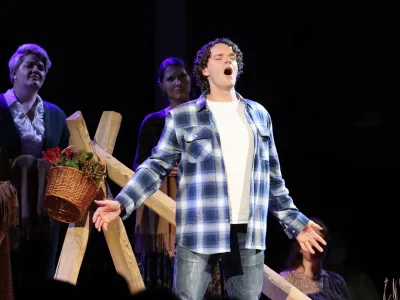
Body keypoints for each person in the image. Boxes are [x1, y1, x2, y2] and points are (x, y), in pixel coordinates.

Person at [92, 37, 326, 300]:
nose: (229, 61)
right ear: (204, 70)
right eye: (220, 57)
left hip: (248, 233)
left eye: (233, 58)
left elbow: (273, 180)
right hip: (200, 229)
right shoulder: (184, 116)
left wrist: (298, 223)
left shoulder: (259, 115)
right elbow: (155, 166)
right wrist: (123, 202)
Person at [0, 43, 70, 298]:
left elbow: (65, 158)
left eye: (41, 67)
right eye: (29, 65)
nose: (36, 70)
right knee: (9, 271)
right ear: (14, 72)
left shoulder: (56, 115)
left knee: (42, 274)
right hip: (7, 206)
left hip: (44, 208)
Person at [133, 57, 191, 288]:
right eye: (171, 78)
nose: (177, 82)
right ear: (162, 85)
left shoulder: (207, 116)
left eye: (182, 76)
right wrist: (164, 168)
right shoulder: (154, 122)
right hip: (162, 201)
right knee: (161, 273)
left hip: (195, 198)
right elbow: (139, 165)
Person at [280, 217, 352, 299]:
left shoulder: (337, 281)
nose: (316, 245)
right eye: (310, 240)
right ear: (298, 247)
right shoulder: (287, 279)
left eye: (320, 239)